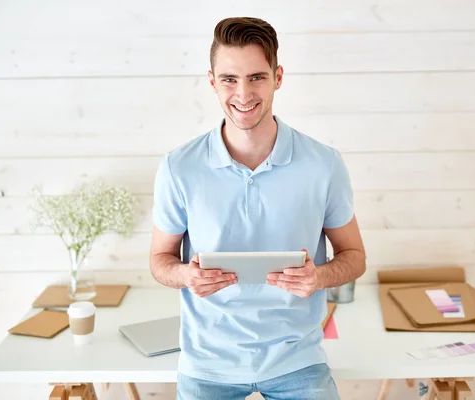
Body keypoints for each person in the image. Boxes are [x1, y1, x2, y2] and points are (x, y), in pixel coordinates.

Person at [150, 16, 366, 400]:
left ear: (278, 77)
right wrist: (187, 276)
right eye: (230, 79)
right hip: (207, 362)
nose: (243, 93)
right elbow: (159, 260)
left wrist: (319, 277)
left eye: (257, 77)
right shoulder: (178, 167)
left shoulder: (324, 163)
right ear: (213, 81)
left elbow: (354, 256)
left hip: (297, 360)